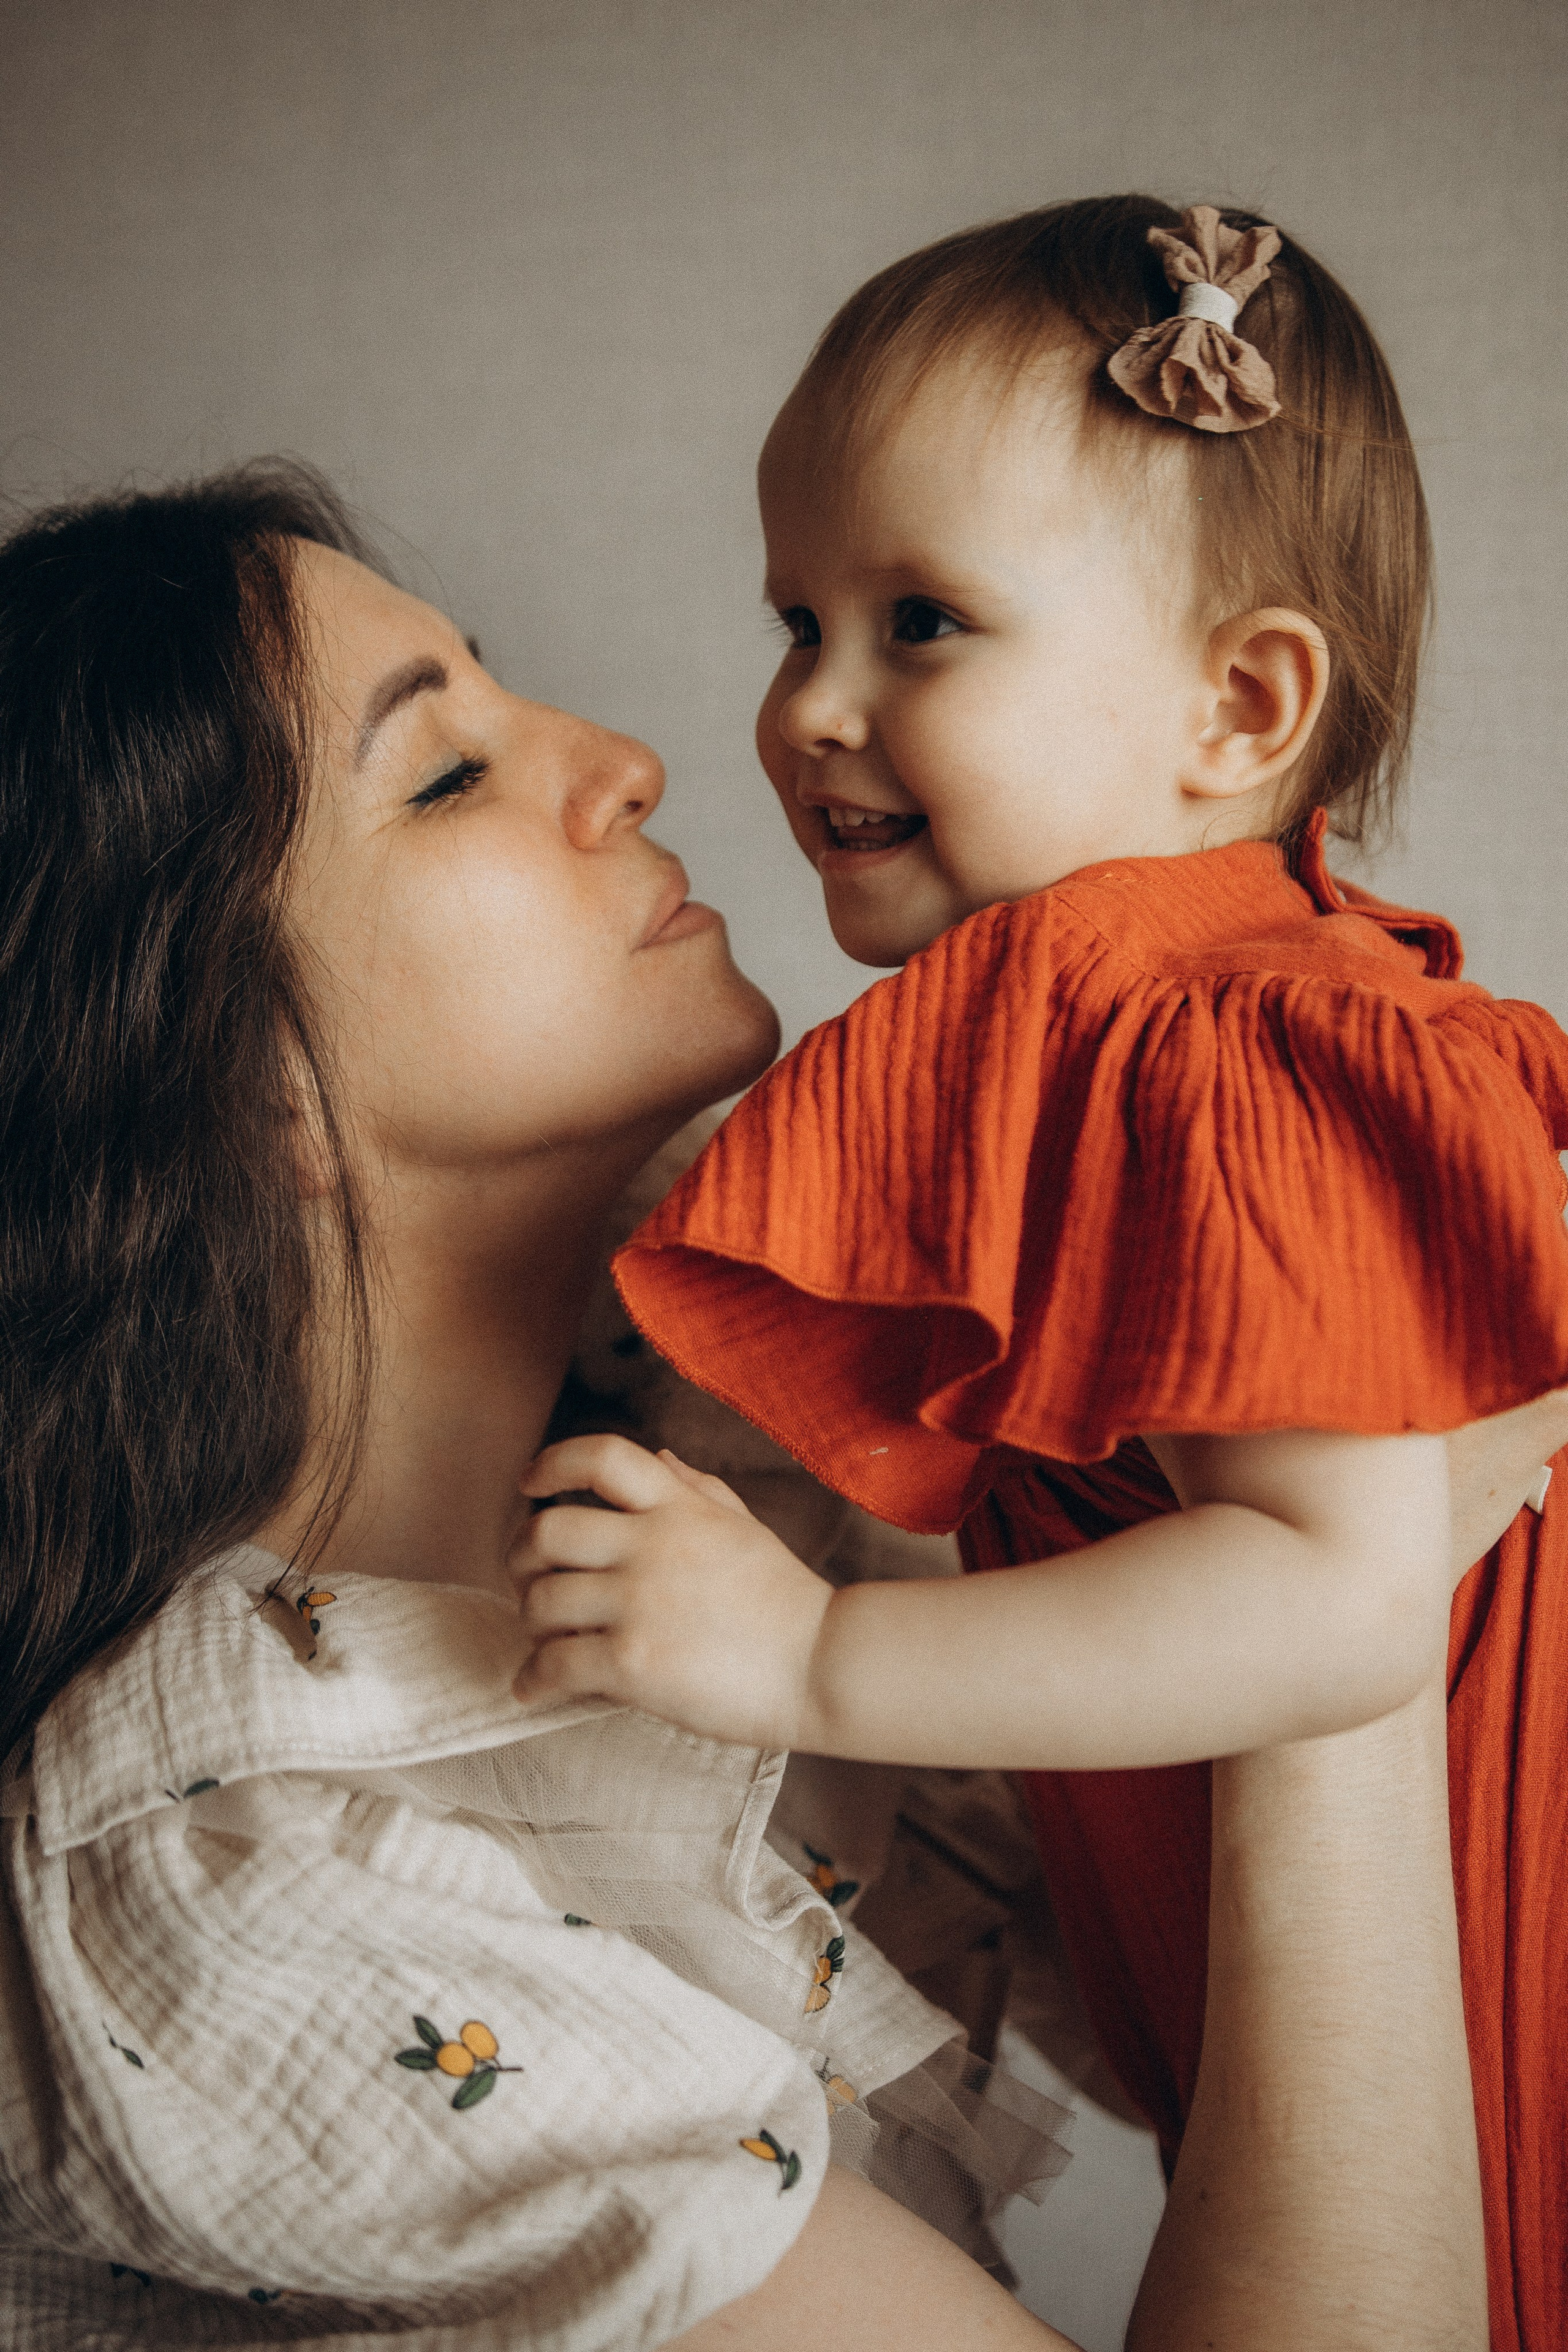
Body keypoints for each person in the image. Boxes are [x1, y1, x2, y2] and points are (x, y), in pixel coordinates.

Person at [0, 461, 1491, 2349]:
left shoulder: (754, 1481)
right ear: (234, 1082)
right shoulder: (235, 1888)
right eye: (444, 774)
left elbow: (1201, 2045)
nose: (628, 758)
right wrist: (1322, 1561)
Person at [521, 198, 1568, 2351]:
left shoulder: (1222, 1042)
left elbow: (1340, 1593)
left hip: (1488, 2042)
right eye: (794, 616)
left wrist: (812, 1664)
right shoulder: (1084, 1031)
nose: (808, 706)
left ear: (1239, 704)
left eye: (922, 621)